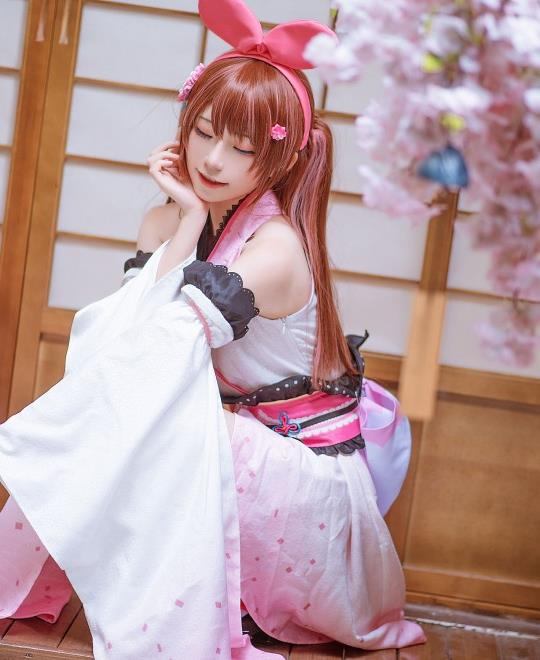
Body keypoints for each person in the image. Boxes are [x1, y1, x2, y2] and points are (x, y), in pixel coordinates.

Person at [0, 0, 426, 657]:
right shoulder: (169, 221)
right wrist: (189, 220)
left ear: (278, 158)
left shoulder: (274, 250)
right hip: (234, 452)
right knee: (135, 414)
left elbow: (152, 355)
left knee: (149, 423)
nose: (215, 159)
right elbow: (125, 347)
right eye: (203, 132)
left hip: (300, 480)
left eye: (244, 147)